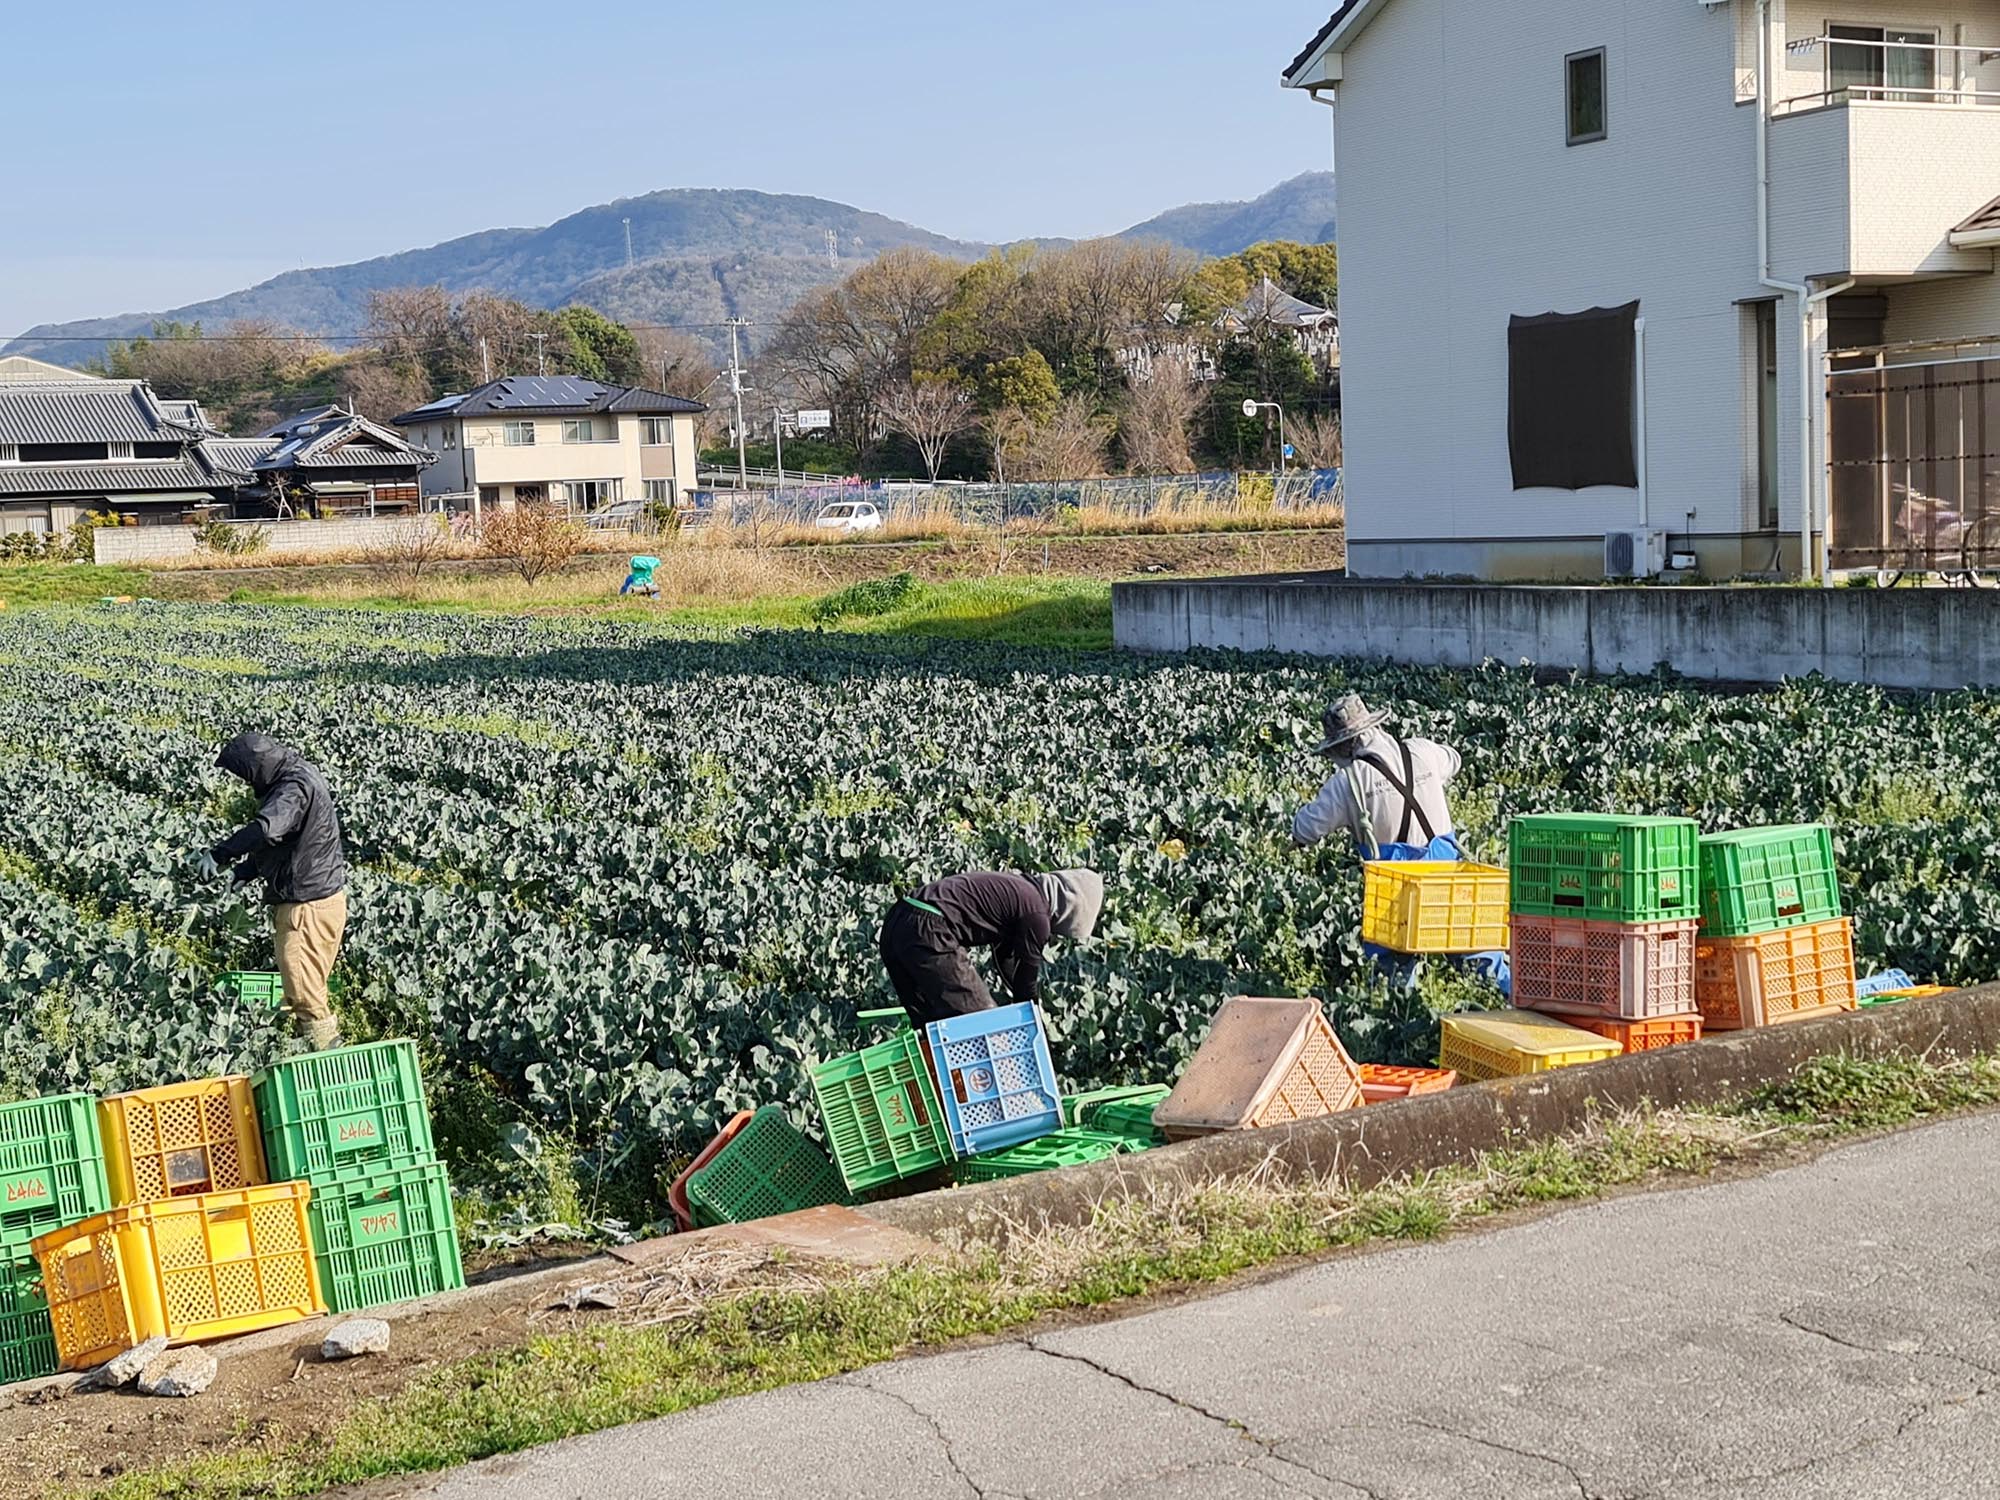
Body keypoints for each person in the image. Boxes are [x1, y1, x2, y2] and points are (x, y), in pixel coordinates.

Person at [196, 732, 350, 1050]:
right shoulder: (298, 775)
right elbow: (282, 840)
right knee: (307, 991)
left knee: (304, 994)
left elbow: (266, 828)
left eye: (245, 775)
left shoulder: (293, 787)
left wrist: (220, 853)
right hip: (320, 900)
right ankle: (308, 1058)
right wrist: (246, 871)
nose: (245, 784)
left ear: (257, 767)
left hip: (307, 906)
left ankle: (329, 1060)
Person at [878, 869, 1104, 1027]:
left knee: (929, 1022)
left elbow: (1005, 958)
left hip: (898, 920)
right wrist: (1033, 1020)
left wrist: (1017, 997)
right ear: (1067, 913)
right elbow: (1027, 978)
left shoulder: (1019, 890)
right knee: (982, 1022)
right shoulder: (1036, 915)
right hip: (929, 930)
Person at [1291, 693, 1463, 861]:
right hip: (1445, 878)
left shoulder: (1347, 782)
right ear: (1376, 727)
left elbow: (1305, 829)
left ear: (1341, 748)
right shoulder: (1423, 750)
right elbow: (1454, 759)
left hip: (1394, 885)